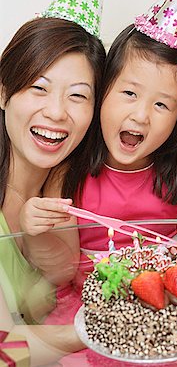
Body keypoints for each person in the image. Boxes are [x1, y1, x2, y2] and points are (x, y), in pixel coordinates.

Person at [0, 16, 105, 326]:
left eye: (77, 95)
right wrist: (115, 330)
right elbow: (8, 351)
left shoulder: (65, 186)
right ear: (4, 93)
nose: (57, 112)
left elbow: (61, 275)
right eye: (39, 88)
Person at [77, 23, 177, 255]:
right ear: (102, 90)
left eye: (161, 104)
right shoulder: (68, 174)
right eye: (130, 93)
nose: (141, 116)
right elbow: (57, 268)